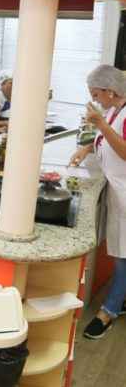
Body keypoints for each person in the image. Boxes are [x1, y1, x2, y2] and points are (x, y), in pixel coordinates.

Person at [69, 65, 126, 340]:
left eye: (96, 94)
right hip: (117, 192)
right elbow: (104, 141)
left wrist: (100, 124)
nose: (95, 100)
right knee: (120, 253)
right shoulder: (115, 111)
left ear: (110, 91)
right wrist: (84, 148)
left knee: (124, 259)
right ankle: (120, 299)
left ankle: (109, 311)